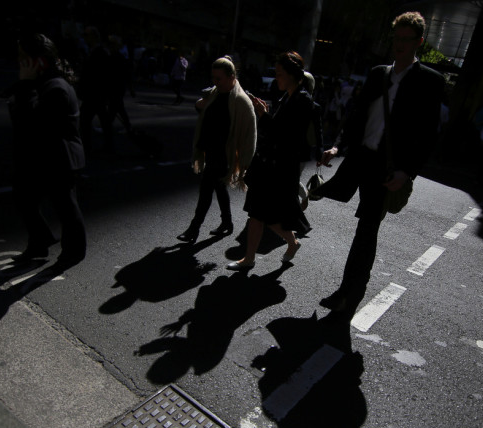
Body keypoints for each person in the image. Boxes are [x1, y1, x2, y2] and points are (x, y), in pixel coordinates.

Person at [316, 11, 445, 315]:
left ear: (419, 42)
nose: (398, 45)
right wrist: (338, 146)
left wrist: (406, 172)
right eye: (396, 38)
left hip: (386, 169)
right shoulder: (378, 73)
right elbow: (359, 115)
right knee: (320, 193)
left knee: (366, 230)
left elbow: (427, 135)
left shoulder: (429, 81)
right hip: (359, 158)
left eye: (405, 40)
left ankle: (349, 293)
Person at [4, 33, 87, 270]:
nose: (19, 63)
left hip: (58, 159)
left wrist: (25, 85)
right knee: (24, 197)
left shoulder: (55, 87)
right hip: (42, 157)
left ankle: (73, 251)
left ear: (38, 61)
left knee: (66, 206)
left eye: (23, 58)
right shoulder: (47, 83)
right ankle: (40, 242)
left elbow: (30, 122)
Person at [227, 51, 314, 271]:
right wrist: (265, 115)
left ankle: (252, 258)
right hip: (269, 165)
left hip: (279, 168)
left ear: (293, 74)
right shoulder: (289, 96)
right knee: (260, 214)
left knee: (262, 214)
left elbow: (286, 137)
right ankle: (285, 245)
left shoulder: (302, 100)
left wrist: (264, 116)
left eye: (280, 74)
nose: (277, 78)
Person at [176, 56, 257, 244]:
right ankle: (227, 223)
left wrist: (245, 162)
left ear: (231, 77)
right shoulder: (215, 93)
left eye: (218, 78)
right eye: (213, 78)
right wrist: (199, 105)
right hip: (210, 149)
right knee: (219, 187)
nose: (215, 82)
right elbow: (205, 110)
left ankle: (193, 229)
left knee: (206, 190)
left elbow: (249, 134)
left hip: (225, 154)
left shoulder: (241, 101)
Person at [77, 27, 113, 154]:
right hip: (95, 93)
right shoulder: (94, 51)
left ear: (93, 37)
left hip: (95, 93)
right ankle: (107, 146)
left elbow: (102, 75)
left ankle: (88, 147)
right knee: (102, 120)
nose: (85, 38)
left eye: (86, 35)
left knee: (85, 120)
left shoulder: (100, 52)